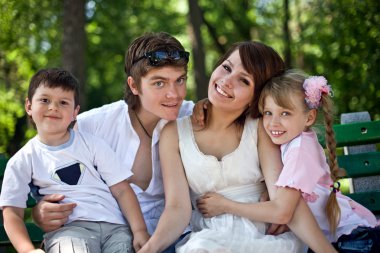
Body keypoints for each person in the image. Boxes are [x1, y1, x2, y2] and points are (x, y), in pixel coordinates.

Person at [139, 42, 337, 253]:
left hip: (263, 235)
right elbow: (177, 209)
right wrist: (149, 250)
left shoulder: (262, 128)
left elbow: (286, 204)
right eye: (226, 67)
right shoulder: (174, 134)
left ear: (258, 95)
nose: (227, 81)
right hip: (206, 238)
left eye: (243, 80)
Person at [31, 32, 197, 252]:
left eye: (180, 80)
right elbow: (46, 164)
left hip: (173, 238)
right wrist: (39, 211)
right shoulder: (95, 124)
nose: (174, 94)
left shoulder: (193, 117)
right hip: (110, 238)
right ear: (134, 86)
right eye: (159, 83)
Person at [195, 69, 380, 252]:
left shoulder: (300, 149)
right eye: (268, 112)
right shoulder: (289, 143)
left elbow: (281, 212)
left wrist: (225, 205)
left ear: (309, 117)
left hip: (355, 238)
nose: (273, 122)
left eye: (285, 113)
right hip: (339, 237)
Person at [0, 68, 150, 253]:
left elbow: (121, 190)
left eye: (63, 102)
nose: (53, 107)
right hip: (69, 231)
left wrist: (140, 230)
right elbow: (12, 212)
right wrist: (27, 250)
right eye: (45, 100)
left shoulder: (92, 144)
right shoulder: (23, 160)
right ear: (29, 106)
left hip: (115, 228)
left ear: (74, 113)